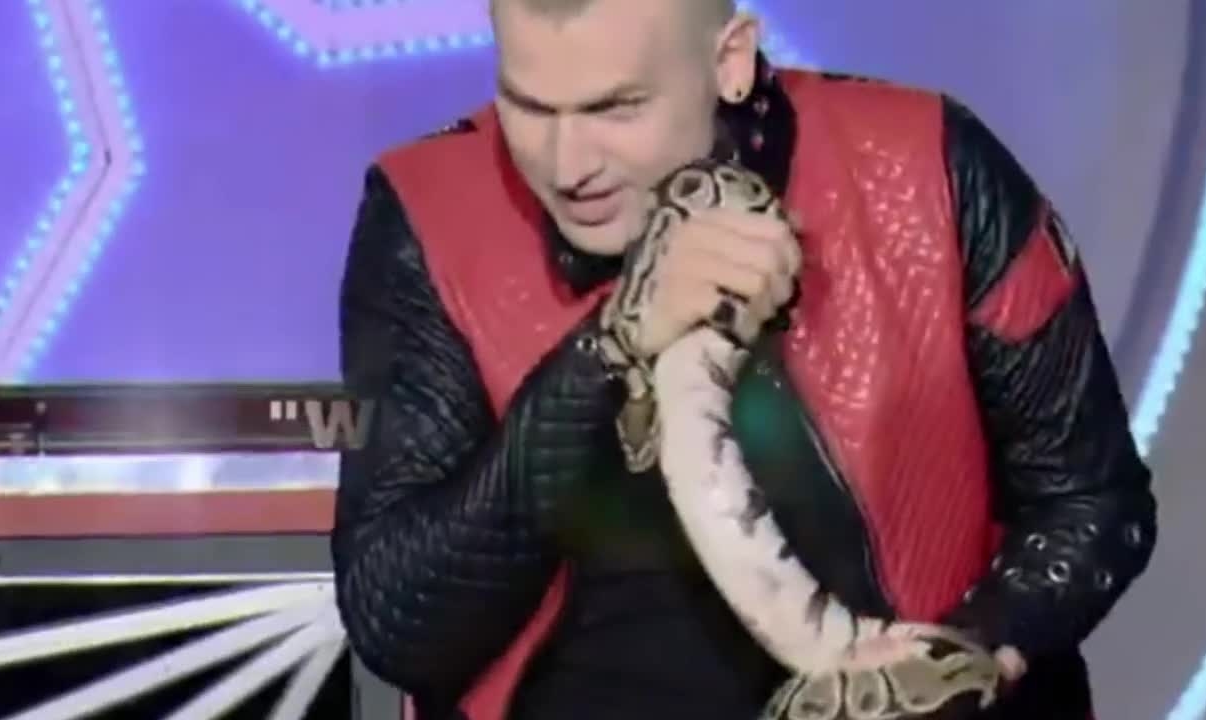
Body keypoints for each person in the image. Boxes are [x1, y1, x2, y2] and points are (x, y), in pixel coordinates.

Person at [331, 0, 1158, 717]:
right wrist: (611, 347)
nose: (567, 164)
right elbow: (399, 624)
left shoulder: (928, 164)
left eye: (616, 108)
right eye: (529, 106)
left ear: (730, 60)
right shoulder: (426, 212)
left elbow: (1093, 505)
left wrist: (954, 664)